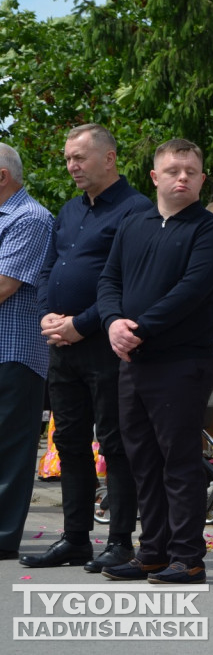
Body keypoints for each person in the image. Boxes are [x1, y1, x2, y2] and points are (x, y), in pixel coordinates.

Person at [96, 139, 213, 584]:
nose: (182, 178)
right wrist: (113, 320)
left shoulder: (209, 231)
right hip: (133, 361)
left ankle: (187, 557)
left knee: (179, 460)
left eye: (191, 171)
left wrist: (138, 328)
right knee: (141, 460)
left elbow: (191, 291)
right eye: (173, 170)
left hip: (181, 361)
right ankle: (151, 551)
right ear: (155, 177)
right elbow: (109, 279)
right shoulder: (134, 223)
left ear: (202, 178)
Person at [22, 124, 150, 572]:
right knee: (68, 440)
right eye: (68, 159)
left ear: (110, 158)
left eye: (80, 157)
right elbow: (47, 269)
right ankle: (75, 538)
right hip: (62, 344)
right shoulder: (70, 210)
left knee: (114, 443)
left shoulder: (136, 210)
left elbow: (131, 284)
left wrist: (82, 322)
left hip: (105, 345)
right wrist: (46, 315)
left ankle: (119, 542)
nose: (72, 166)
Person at [0, 143, 54, 561]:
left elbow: (4, 285)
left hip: (14, 353)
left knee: (10, 450)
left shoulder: (29, 218)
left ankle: (2, 537)